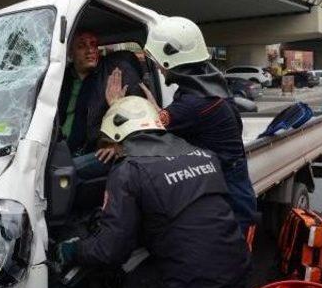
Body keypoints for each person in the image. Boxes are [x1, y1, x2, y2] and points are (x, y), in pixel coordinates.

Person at [56, 96, 254, 288]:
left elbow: (110, 250)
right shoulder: (203, 155)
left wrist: (74, 249)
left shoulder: (128, 171)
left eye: (111, 145)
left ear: (118, 135)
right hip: (238, 270)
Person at [106, 17, 257, 237]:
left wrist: (117, 105)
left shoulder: (193, 103)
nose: (156, 65)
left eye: (157, 59)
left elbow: (148, 131)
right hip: (231, 183)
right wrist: (160, 111)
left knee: (226, 259)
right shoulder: (207, 80)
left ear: (169, 58)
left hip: (229, 197)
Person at [58, 31, 142, 179]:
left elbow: (138, 115)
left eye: (93, 45)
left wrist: (118, 143)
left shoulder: (113, 74)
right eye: (82, 46)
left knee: (61, 175)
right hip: (59, 146)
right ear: (70, 53)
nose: (90, 50)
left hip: (95, 147)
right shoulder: (61, 78)